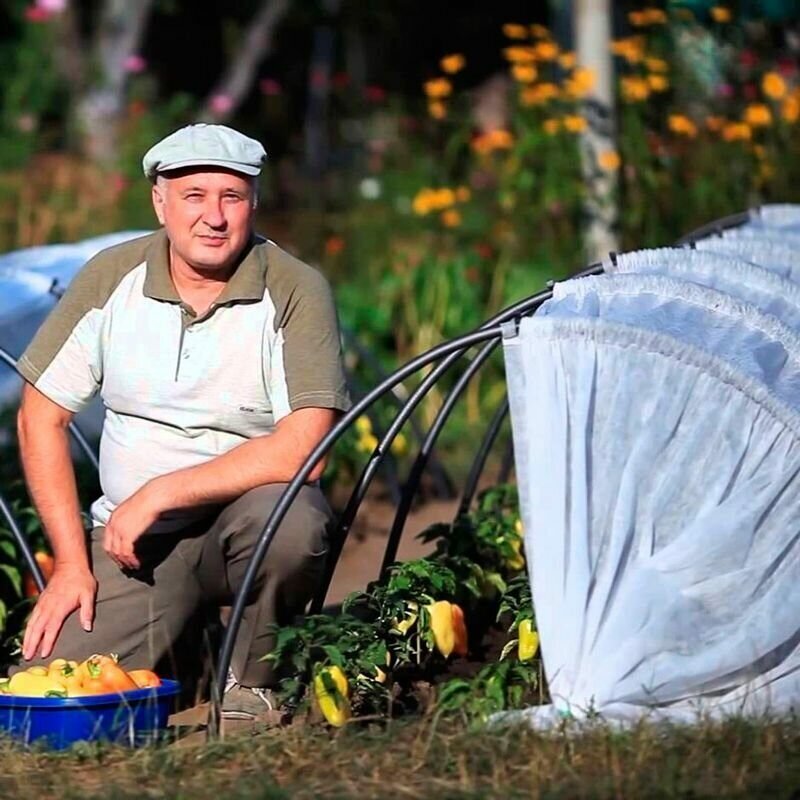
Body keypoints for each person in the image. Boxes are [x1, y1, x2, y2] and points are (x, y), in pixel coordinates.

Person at [15, 123, 351, 721]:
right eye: (194, 196)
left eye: (231, 197)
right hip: (133, 545)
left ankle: (254, 685)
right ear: (160, 201)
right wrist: (70, 563)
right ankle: (189, 656)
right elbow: (41, 415)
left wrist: (164, 490)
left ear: (253, 202)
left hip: (246, 528)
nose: (213, 217)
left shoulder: (295, 287)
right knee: (46, 695)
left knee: (295, 524)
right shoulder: (111, 276)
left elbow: (308, 449)